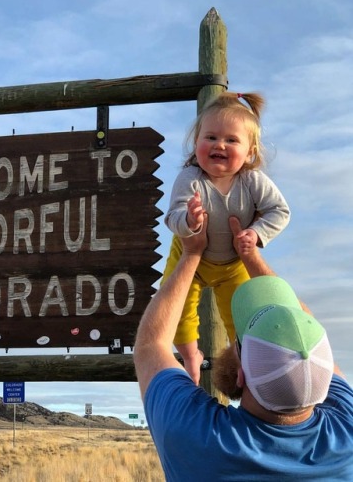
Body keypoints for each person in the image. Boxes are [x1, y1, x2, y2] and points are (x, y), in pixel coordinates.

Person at [133, 215, 353, 481]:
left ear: (240, 375)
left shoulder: (198, 438)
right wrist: (250, 256)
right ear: (327, 377)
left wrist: (190, 254)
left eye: (239, 341)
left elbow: (151, 345)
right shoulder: (347, 428)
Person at [163, 92, 291, 384]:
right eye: (210, 137)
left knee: (245, 317)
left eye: (231, 140)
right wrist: (190, 221)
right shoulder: (190, 178)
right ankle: (190, 354)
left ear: (249, 153)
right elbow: (172, 217)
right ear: (196, 144)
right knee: (177, 308)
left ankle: (244, 360)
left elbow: (279, 211)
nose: (219, 144)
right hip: (189, 257)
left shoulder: (252, 181)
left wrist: (256, 233)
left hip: (233, 263)